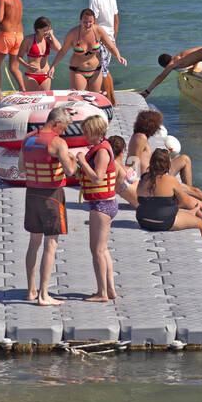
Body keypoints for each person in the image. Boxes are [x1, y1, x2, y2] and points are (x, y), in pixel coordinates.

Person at [126, 110, 202, 218]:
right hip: (152, 178)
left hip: (156, 173)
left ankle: (185, 196)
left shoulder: (139, 136)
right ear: (151, 125)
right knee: (196, 191)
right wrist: (139, 185)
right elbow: (132, 163)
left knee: (184, 159)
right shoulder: (140, 138)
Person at [18, 106, 78, 306]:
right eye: (65, 127)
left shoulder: (28, 139)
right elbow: (70, 172)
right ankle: (44, 295)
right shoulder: (57, 143)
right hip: (51, 195)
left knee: (33, 242)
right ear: (57, 123)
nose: (65, 131)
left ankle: (31, 290)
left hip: (31, 193)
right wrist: (73, 159)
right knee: (50, 244)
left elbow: (21, 168)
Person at [135, 149, 202, 256]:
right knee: (199, 222)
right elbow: (183, 202)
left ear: (152, 162)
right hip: (163, 223)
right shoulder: (171, 180)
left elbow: (140, 197)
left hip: (142, 220)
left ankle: (190, 214)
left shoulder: (144, 177)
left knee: (163, 207)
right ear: (167, 164)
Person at [71, 115, 119, 302]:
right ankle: (110, 289)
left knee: (97, 250)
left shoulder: (102, 152)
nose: (84, 134)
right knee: (103, 249)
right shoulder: (101, 147)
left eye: (86, 131)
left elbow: (98, 178)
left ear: (96, 132)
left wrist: (82, 161)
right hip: (104, 203)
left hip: (102, 204)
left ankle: (102, 293)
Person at [49, 9, 126, 94]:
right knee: (81, 97)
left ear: (94, 21)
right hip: (78, 71)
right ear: (80, 20)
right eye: (85, 22)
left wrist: (118, 56)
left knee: (94, 97)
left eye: (90, 22)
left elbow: (110, 46)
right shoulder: (72, 33)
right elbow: (63, 51)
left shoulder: (98, 31)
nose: (88, 24)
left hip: (96, 70)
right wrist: (53, 66)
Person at [87, 0, 120, 104]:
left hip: (100, 38)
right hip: (110, 37)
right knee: (104, 69)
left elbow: (91, 21)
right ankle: (111, 99)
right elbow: (116, 19)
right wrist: (113, 40)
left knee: (102, 70)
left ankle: (110, 100)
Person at [138, 46, 202, 98]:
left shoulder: (172, 63)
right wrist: (192, 68)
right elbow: (196, 57)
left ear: (165, 66)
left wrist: (147, 91)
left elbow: (160, 77)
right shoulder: (178, 57)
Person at [17, 17, 60, 93]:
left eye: (48, 30)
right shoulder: (28, 39)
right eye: (44, 30)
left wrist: (52, 35)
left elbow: (59, 49)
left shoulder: (48, 40)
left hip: (46, 75)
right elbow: (18, 57)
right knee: (32, 101)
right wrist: (26, 66)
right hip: (31, 75)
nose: (47, 32)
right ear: (38, 29)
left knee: (45, 100)